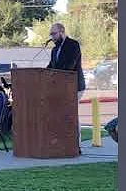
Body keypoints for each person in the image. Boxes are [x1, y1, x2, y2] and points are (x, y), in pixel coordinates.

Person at [46, 23, 86, 154]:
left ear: (62, 32)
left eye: (54, 34)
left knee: (71, 114)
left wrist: (57, 75)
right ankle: (61, 144)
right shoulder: (54, 50)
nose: (52, 37)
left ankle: (75, 146)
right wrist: (42, 74)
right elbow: (51, 66)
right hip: (59, 87)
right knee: (60, 115)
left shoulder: (73, 45)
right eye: (51, 34)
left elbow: (70, 64)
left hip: (74, 86)